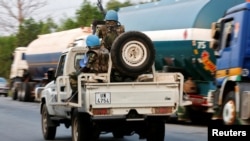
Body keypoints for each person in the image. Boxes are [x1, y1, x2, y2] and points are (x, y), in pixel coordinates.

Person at [67, 35, 109, 102]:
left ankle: (75, 97)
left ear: (89, 44)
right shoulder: (105, 51)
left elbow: (87, 67)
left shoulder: (93, 53)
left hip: (95, 74)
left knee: (72, 76)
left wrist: (79, 72)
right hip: (104, 74)